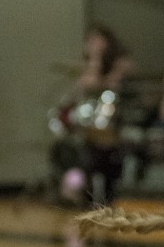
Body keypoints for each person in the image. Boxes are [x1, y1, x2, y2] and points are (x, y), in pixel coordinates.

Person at [49, 24, 135, 204]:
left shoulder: (120, 61)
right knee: (68, 148)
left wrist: (95, 58)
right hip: (88, 127)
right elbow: (80, 88)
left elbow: (103, 86)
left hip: (113, 122)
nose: (91, 44)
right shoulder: (86, 64)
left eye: (96, 40)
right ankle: (73, 190)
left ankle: (89, 192)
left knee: (95, 153)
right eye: (89, 41)